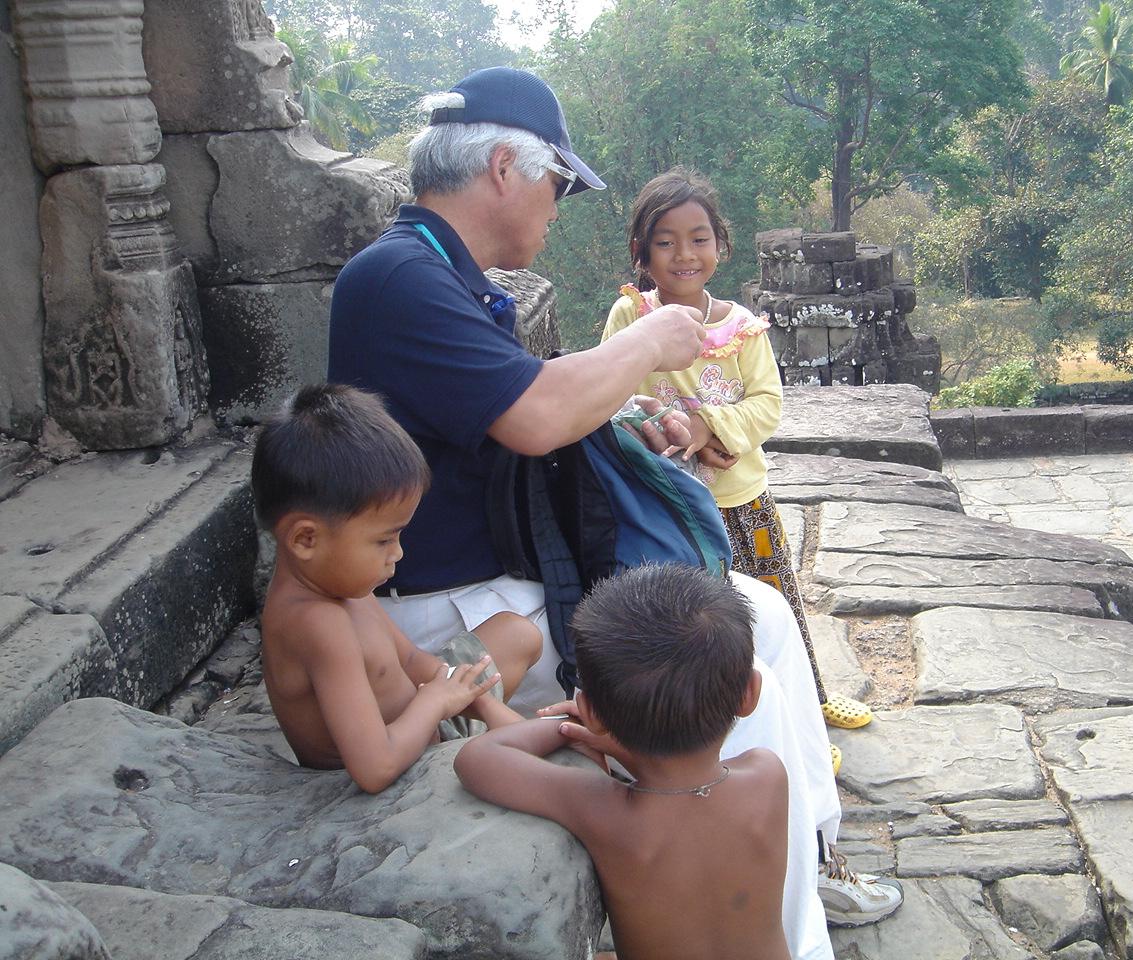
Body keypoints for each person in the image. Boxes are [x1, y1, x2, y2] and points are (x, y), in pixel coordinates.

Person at [327, 66, 892, 949]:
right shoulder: (400, 278)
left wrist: (627, 411)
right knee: (738, 669)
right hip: (461, 605)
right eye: (557, 184)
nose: (558, 210)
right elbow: (533, 414)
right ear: (505, 169)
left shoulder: (443, 274)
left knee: (764, 614)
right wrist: (650, 342)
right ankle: (787, 924)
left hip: (509, 579)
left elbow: (523, 403)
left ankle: (812, 856)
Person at [601, 168, 877, 760]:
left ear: (720, 246)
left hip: (740, 499)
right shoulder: (630, 317)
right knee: (699, 625)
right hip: (667, 503)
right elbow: (609, 391)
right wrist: (672, 432)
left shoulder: (742, 328)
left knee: (778, 610)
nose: (684, 254)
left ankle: (807, 711)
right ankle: (725, 729)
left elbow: (767, 404)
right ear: (641, 251)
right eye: (666, 241)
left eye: (698, 238)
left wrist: (709, 428)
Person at [456, 565, 791, 960]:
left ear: (591, 712)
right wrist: (614, 735)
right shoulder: (767, 774)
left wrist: (569, 727)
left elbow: (478, 758)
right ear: (750, 693)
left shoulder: (606, 812)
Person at [252, 383, 537, 793]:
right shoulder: (318, 624)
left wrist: (482, 704)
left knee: (517, 633)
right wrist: (435, 702)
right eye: (383, 540)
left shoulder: (341, 585)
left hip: (426, 723)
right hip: (395, 776)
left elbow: (411, 659)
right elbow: (375, 768)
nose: (398, 554)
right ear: (306, 539)